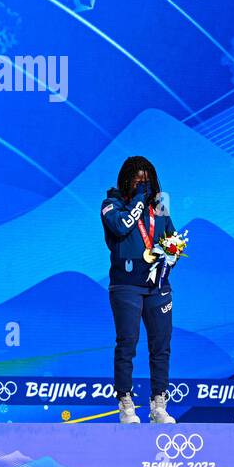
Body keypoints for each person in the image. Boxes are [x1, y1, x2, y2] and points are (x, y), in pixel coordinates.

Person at [100, 156, 178, 425]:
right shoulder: (111, 204)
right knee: (127, 344)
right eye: (138, 179)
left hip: (157, 286)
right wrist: (138, 201)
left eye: (147, 179)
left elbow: (172, 238)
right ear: (126, 180)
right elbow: (121, 226)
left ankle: (159, 405)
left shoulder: (161, 205)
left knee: (161, 346)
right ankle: (126, 404)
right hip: (126, 286)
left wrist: (172, 254)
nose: (144, 184)